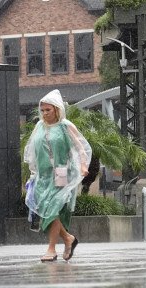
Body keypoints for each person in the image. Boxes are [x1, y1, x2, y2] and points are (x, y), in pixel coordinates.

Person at [24, 89, 91, 262]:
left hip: (62, 173)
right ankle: (68, 238)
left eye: (48, 110)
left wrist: (83, 166)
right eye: (43, 110)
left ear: (57, 109)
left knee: (53, 208)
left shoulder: (65, 126)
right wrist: (33, 174)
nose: (45, 114)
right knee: (46, 210)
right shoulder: (39, 126)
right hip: (43, 175)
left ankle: (51, 249)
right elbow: (32, 151)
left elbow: (80, 147)